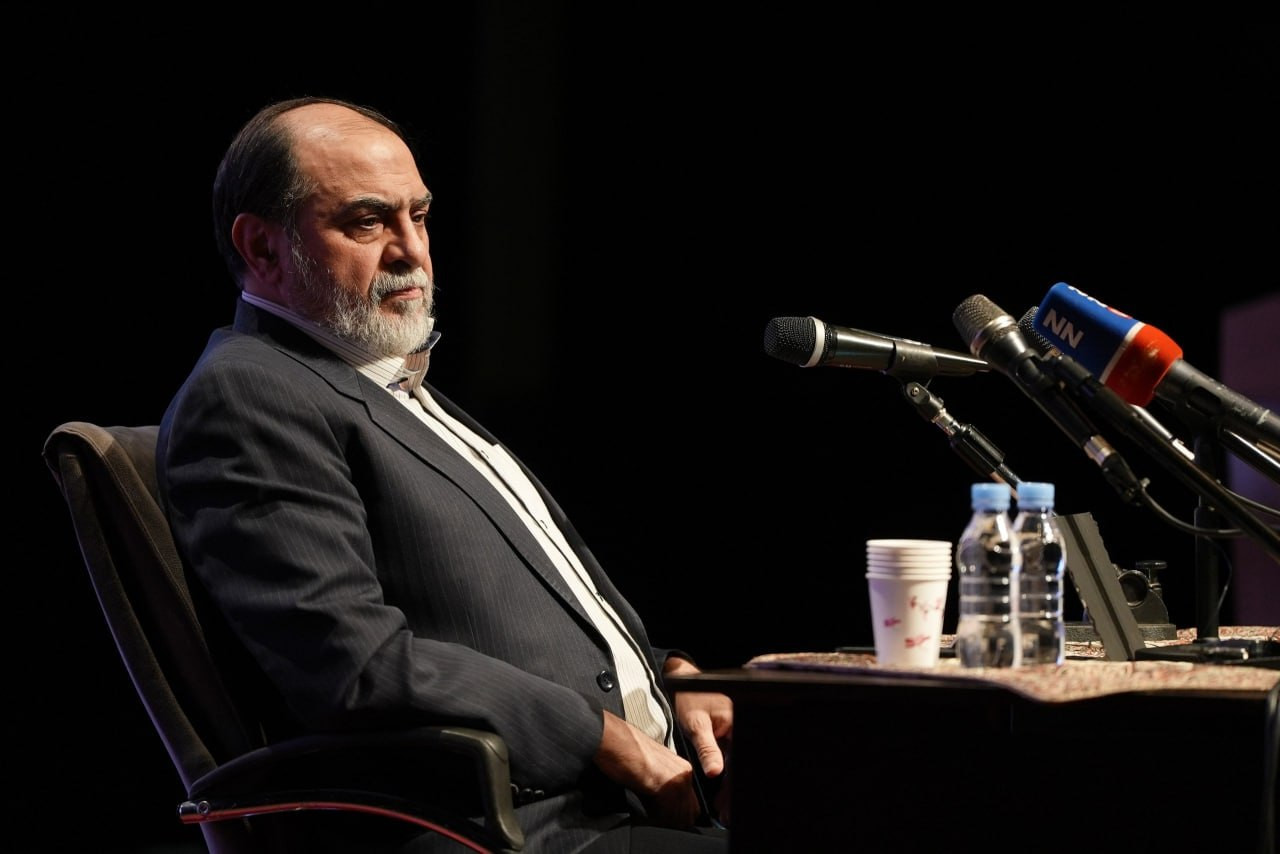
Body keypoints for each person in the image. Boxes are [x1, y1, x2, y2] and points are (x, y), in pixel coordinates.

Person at [156, 96, 733, 854]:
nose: (411, 251)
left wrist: (665, 679)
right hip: (521, 828)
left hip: (615, 804)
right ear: (262, 248)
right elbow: (355, 667)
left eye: (419, 216)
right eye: (368, 222)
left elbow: (504, 617)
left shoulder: (384, 382)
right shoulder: (252, 393)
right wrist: (602, 736)